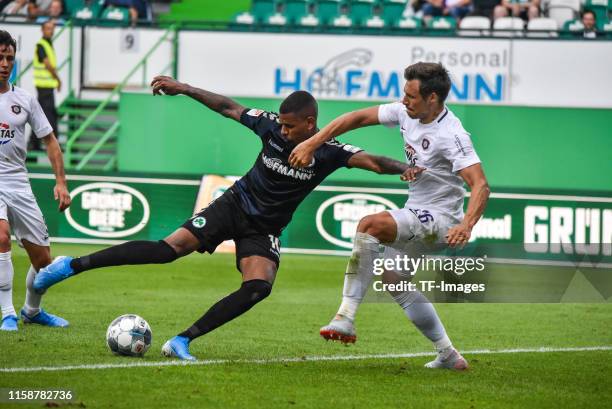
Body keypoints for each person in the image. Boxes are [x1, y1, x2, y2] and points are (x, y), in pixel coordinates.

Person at [33, 76, 416, 360]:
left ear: (311, 123)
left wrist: (408, 168)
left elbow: (373, 161)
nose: (281, 129)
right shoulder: (270, 126)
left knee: (258, 287)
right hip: (233, 204)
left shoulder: (329, 151)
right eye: (280, 123)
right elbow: (227, 106)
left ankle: (182, 340)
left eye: (289, 125)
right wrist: (184, 88)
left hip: (265, 229)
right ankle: (72, 265)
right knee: (168, 250)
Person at [289, 62, 490, 370]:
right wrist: (313, 142)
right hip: (417, 212)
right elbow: (354, 118)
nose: (404, 101)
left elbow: (480, 186)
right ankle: (449, 355)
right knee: (394, 279)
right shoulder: (404, 112)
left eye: (411, 96)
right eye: (404, 94)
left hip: (441, 222)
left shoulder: (452, 134)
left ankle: (345, 317)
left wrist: (467, 224)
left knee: (370, 225)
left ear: (433, 98)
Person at [0, 30, 71, 331]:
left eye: (9, 59)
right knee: (1, 236)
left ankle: (32, 310)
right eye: (0, 57)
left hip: (19, 182)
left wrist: (61, 182)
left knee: (43, 262)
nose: (5, 63)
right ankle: (7, 313)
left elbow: (51, 141)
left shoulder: (25, 99)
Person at [29, 19, 60, 152]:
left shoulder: (48, 43)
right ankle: (54, 144)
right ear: (42, 29)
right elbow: (47, 64)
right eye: (48, 28)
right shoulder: (41, 45)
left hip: (47, 87)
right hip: (44, 87)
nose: (51, 30)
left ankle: (33, 144)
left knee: (42, 116)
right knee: (49, 116)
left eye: (52, 28)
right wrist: (58, 79)